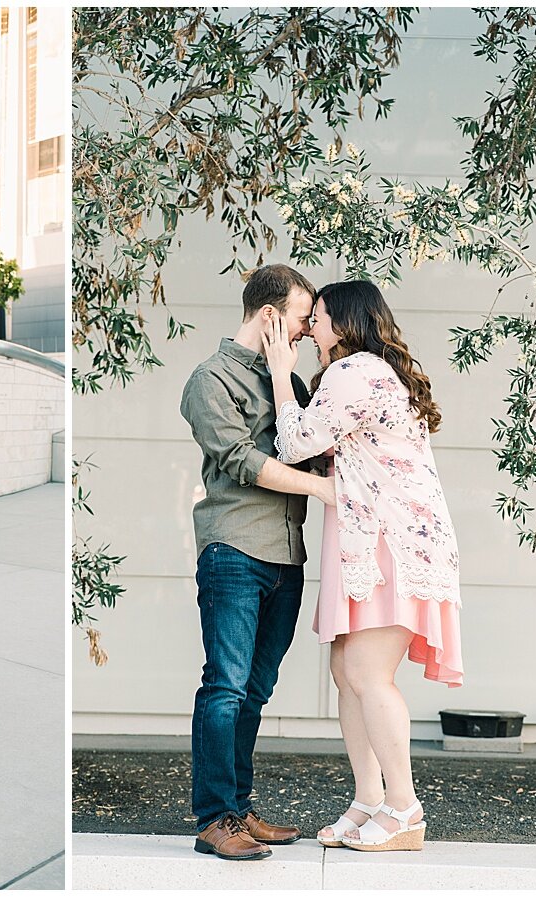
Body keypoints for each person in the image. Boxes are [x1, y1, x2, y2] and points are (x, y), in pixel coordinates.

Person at [262, 279, 462, 853]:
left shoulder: (357, 373)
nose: (309, 328)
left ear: (345, 324)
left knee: (368, 674)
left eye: (318, 317)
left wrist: (281, 370)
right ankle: (369, 799)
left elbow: (296, 442)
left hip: (390, 545)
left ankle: (404, 810)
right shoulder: (369, 374)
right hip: (375, 542)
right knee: (348, 671)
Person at [179, 264, 336, 861]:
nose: (304, 331)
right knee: (224, 687)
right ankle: (215, 818)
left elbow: (308, 442)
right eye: (301, 319)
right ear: (271, 315)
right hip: (234, 551)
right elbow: (242, 459)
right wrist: (321, 490)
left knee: (254, 690)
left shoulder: (287, 379)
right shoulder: (209, 379)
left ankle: (239, 810)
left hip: (285, 556)